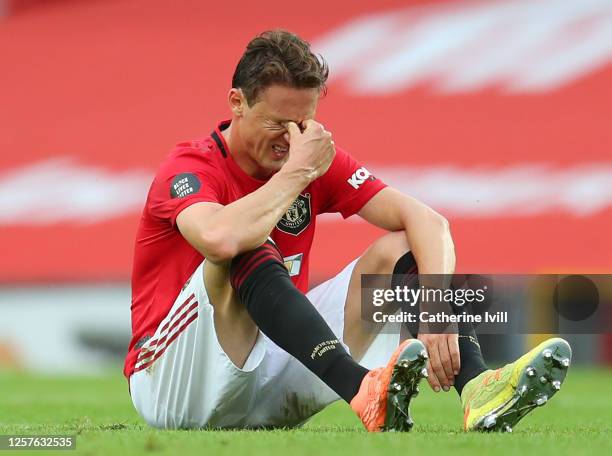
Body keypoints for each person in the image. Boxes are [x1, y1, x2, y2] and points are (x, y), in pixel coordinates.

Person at [124, 30, 572, 432]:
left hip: (269, 379)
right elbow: (219, 239)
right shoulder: (190, 166)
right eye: (276, 123)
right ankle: (359, 387)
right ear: (236, 102)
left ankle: (477, 389)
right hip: (174, 383)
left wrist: (435, 307)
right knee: (245, 240)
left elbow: (429, 221)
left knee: (402, 248)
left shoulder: (310, 157)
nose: (290, 138)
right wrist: (298, 173)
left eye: (302, 124)